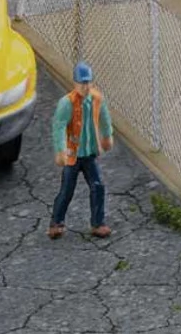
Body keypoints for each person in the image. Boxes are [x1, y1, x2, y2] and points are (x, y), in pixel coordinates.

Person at [48, 62, 114, 239]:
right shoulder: (66, 103)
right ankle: (56, 222)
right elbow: (59, 127)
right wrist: (60, 150)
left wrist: (107, 136)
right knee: (67, 190)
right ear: (75, 83)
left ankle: (98, 223)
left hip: (89, 153)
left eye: (88, 82)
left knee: (98, 186)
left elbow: (105, 118)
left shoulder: (97, 99)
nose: (85, 87)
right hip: (72, 155)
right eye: (82, 83)